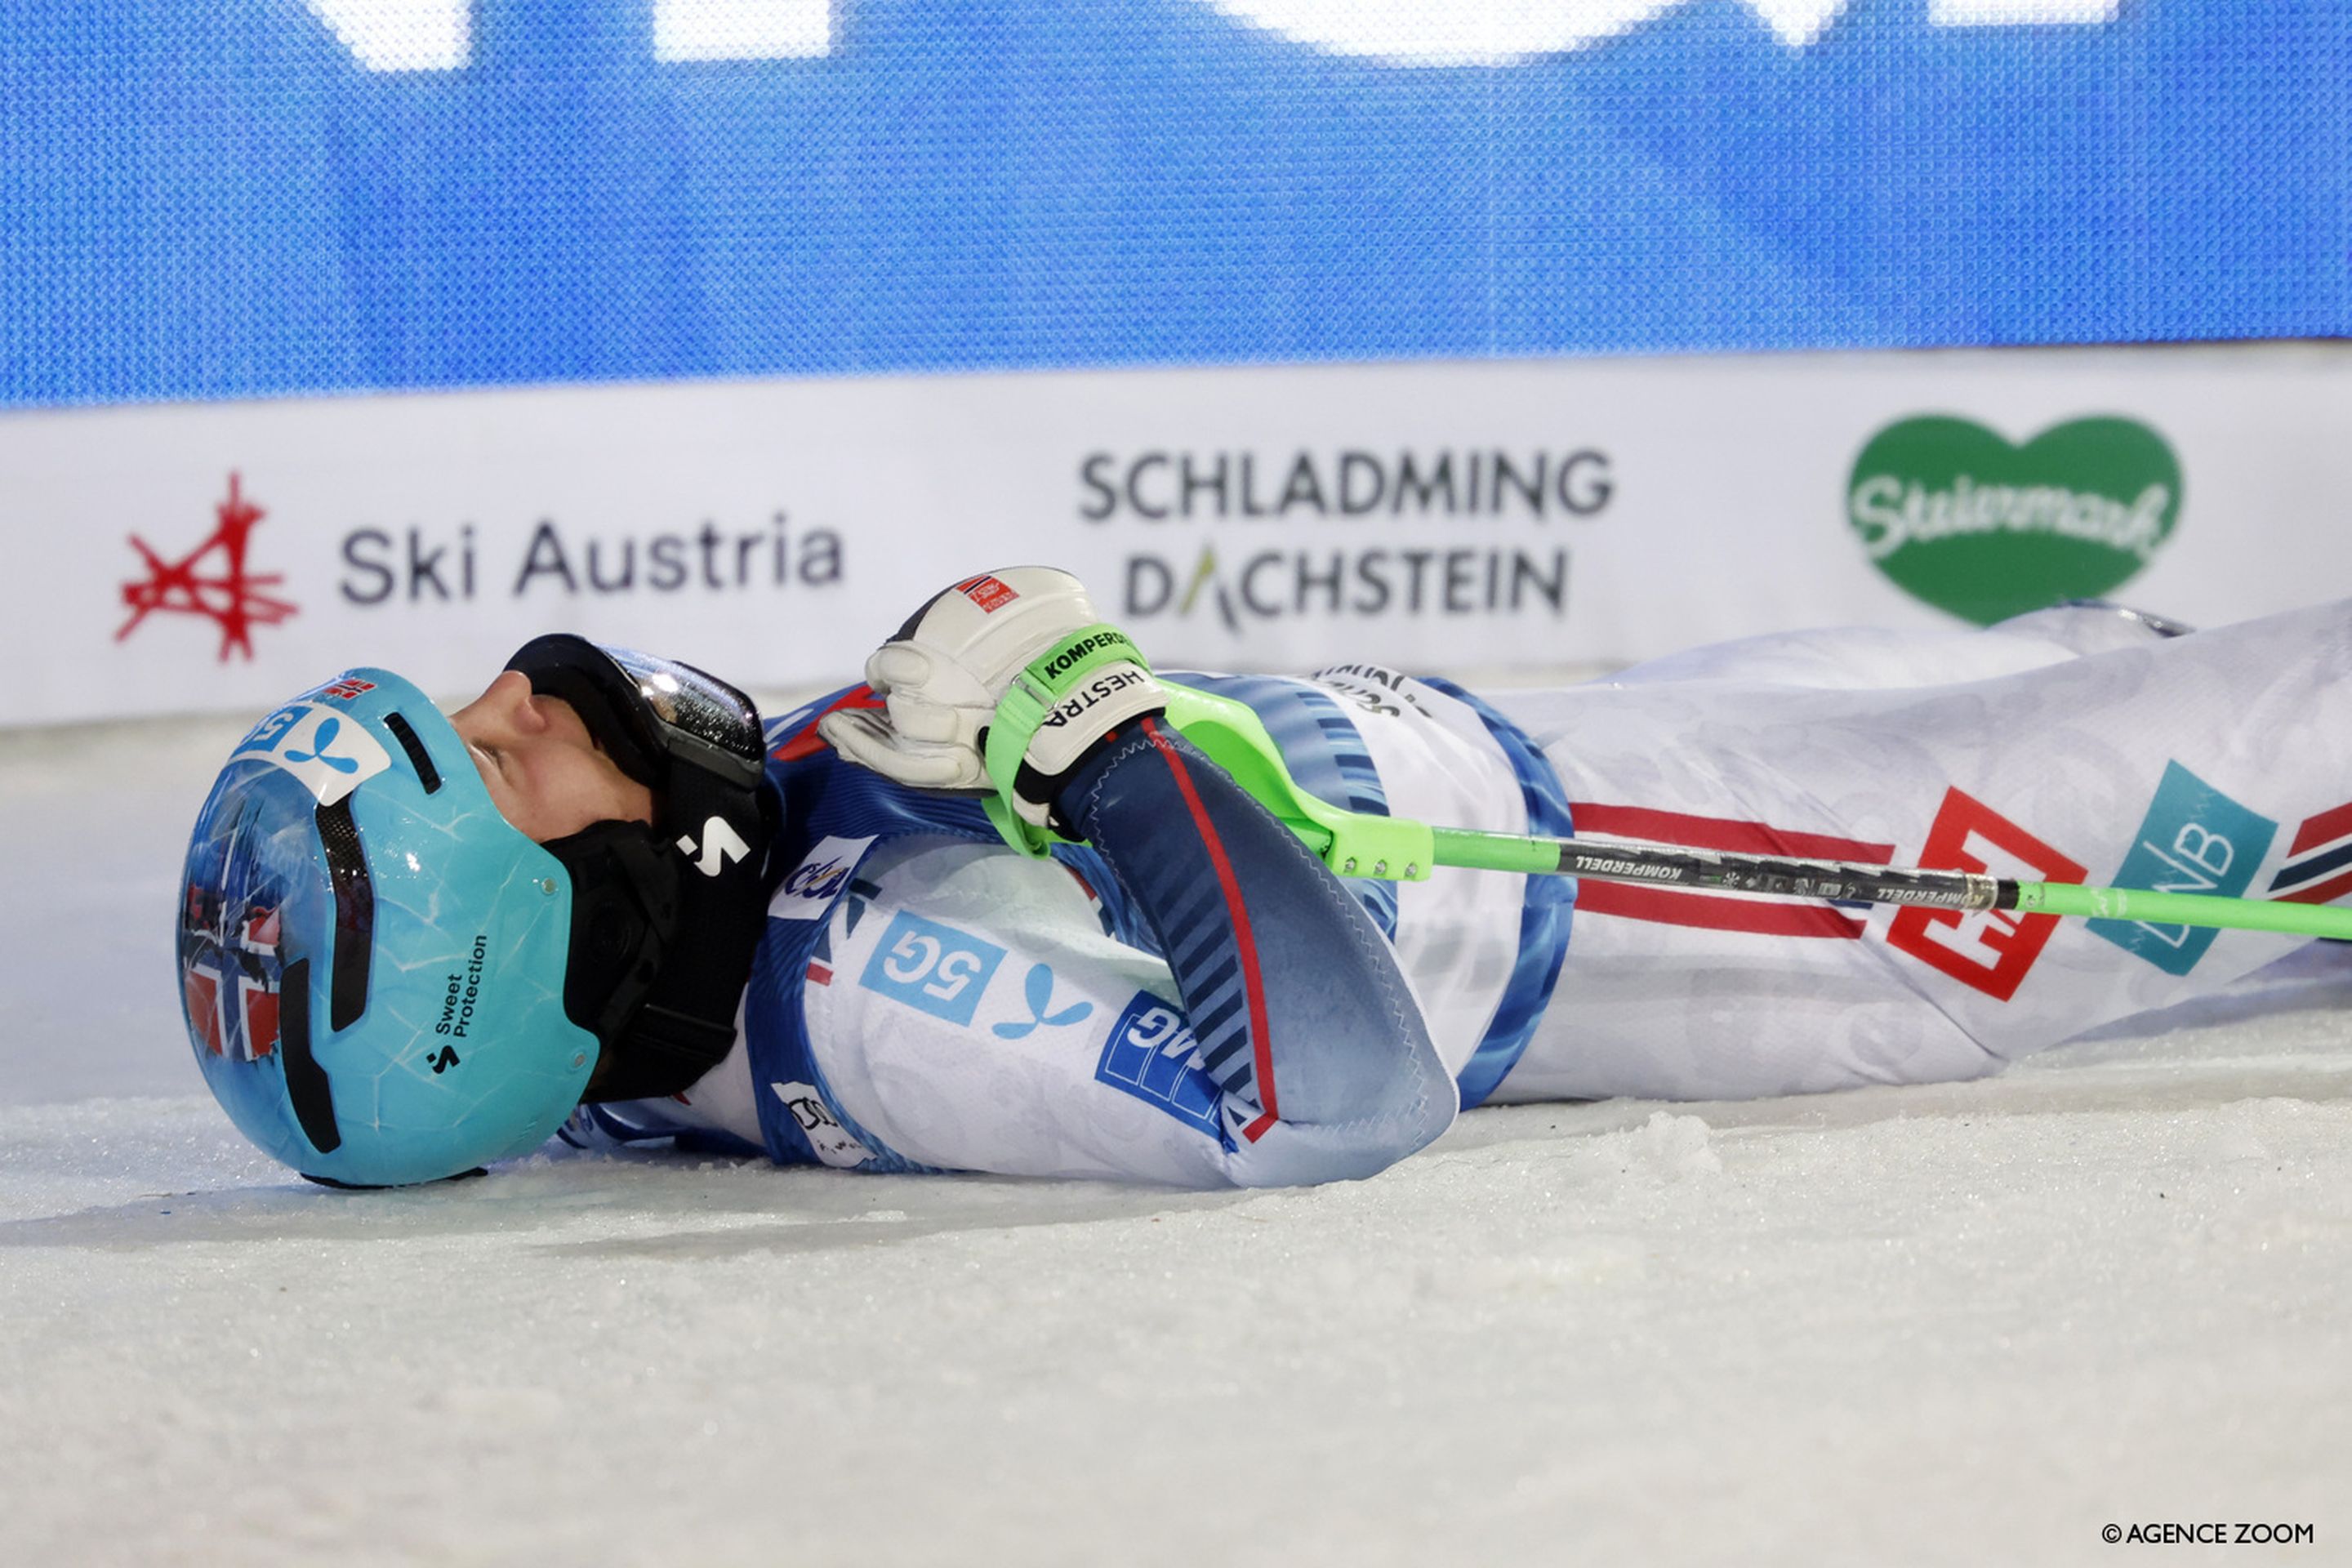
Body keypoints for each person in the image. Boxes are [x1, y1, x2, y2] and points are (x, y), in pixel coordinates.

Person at [176, 568, 2352, 1189]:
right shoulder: (875, 1007)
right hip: (1735, 890)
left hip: (1601, 757)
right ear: (545, 934)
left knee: (2107, 654)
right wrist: (1106, 749)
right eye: (494, 755)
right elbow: (1329, 1103)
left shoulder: (677, 965)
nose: (530, 690)